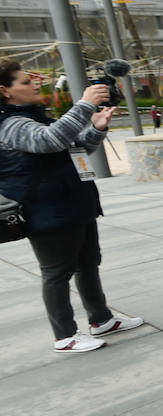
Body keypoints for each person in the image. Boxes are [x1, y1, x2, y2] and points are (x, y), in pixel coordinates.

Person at [0, 66, 143, 352]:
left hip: (73, 202)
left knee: (88, 263)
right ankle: (65, 335)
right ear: (5, 91)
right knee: (56, 273)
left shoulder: (34, 117)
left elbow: (74, 149)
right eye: (26, 82)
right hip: (45, 210)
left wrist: (98, 127)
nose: (35, 86)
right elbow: (49, 140)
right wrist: (86, 104)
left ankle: (101, 319)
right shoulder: (10, 124)